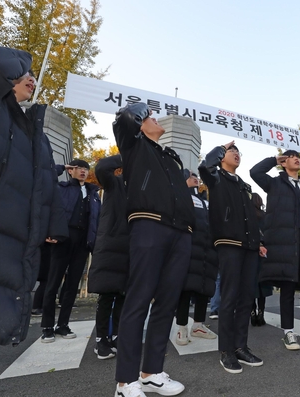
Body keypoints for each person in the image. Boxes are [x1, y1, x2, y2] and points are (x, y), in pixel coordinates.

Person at [0, 43, 68, 396]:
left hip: (3, 259)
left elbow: (45, 190)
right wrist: (25, 60)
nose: (32, 80)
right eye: (24, 75)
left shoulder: (33, 134)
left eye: (35, 77)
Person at [113, 103, 195, 397]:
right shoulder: (133, 146)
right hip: (149, 225)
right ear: (139, 124)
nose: (155, 119)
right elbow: (122, 120)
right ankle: (125, 382)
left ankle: (151, 373)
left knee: (166, 304)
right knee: (138, 300)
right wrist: (139, 110)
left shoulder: (170, 156)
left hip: (180, 232)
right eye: (149, 117)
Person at [250, 150, 300, 351]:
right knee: (288, 285)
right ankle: (288, 331)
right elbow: (255, 172)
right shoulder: (275, 184)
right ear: (284, 162)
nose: (297, 159)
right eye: (291, 156)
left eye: (298, 157)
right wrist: (274, 160)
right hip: (286, 241)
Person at [199, 141, 264, 374]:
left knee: (247, 298)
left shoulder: (243, 184)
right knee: (229, 297)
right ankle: (226, 350)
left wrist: (259, 242)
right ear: (221, 157)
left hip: (249, 246)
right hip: (228, 243)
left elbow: (251, 218)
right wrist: (220, 147)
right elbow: (205, 166)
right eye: (231, 151)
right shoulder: (215, 177)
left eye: (238, 152)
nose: (236, 154)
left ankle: (240, 346)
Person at [40, 159, 101, 342]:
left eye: (85, 168)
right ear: (71, 171)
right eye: (78, 168)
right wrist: (62, 168)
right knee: (53, 282)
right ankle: (47, 326)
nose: (82, 171)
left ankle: (63, 325)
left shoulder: (93, 194)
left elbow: (97, 220)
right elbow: (45, 179)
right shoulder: (61, 188)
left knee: (73, 285)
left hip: (83, 242)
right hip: (63, 239)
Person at [87, 155, 130, 359]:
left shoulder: (140, 191)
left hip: (130, 248)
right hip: (110, 244)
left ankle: (117, 336)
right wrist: (127, 154)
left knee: (123, 295)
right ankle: (101, 339)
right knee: (106, 295)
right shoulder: (114, 183)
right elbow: (103, 167)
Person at [174, 170, 219, 345]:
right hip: (189, 249)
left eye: (197, 177)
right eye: (192, 177)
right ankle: (182, 328)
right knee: (186, 289)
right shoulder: (181, 196)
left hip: (208, 251)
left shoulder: (206, 200)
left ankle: (199, 325)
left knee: (204, 289)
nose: (196, 179)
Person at [250, 193, 273, 327]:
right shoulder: (265, 216)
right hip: (264, 253)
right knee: (262, 285)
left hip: (251, 252)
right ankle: (261, 312)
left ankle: (252, 312)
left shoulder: (247, 216)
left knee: (251, 285)